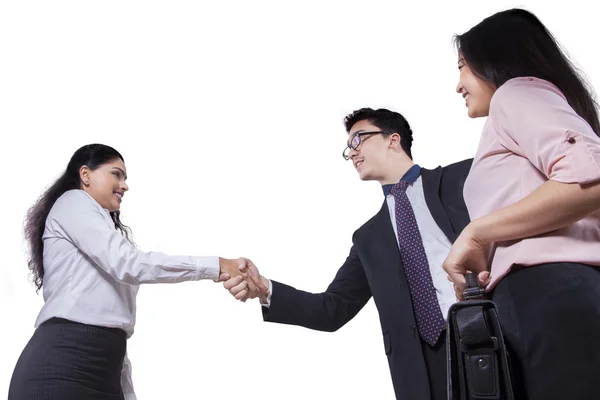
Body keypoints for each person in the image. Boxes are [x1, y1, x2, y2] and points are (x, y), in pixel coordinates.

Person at [222, 108, 472, 400]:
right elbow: (333, 309)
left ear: (393, 140)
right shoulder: (369, 238)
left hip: (487, 333)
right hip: (421, 370)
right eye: (348, 148)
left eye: (358, 140)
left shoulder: (462, 178)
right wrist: (266, 289)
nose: (351, 153)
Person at [7, 143, 268, 400]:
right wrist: (219, 264)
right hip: (62, 367)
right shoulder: (73, 202)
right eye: (116, 174)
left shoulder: (104, 235)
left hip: (103, 372)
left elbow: (117, 323)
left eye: (125, 177)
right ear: (85, 175)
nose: (124, 185)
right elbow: (129, 264)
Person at [444, 8, 600, 400]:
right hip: (554, 295)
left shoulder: (515, 93)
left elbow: (591, 178)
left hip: (548, 292)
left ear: (493, 59)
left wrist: (479, 231)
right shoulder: (527, 111)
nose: (457, 84)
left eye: (462, 66)